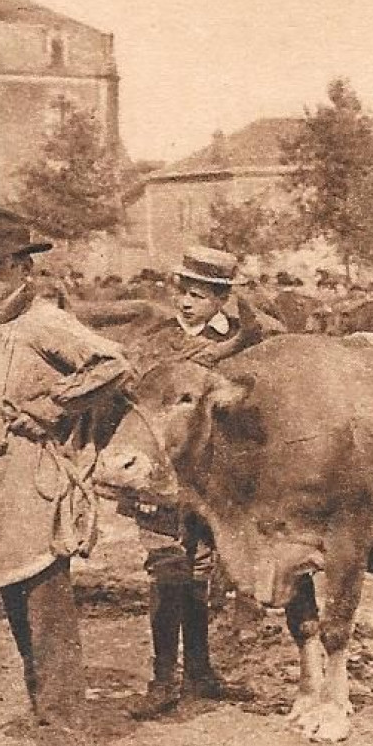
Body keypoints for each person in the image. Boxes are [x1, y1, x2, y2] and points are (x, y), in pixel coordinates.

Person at [0, 206, 129, 746]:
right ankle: (46, 721)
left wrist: (52, 408)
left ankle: (68, 741)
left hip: (36, 488)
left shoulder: (42, 320)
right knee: (22, 612)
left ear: (24, 267)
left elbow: (112, 364)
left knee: (47, 613)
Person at [110, 246, 265, 720]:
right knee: (167, 569)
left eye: (199, 295)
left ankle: (200, 671)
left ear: (221, 300)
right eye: (184, 293)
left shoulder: (240, 344)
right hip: (160, 476)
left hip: (209, 481)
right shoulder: (156, 342)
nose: (187, 303)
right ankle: (163, 678)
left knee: (200, 571)